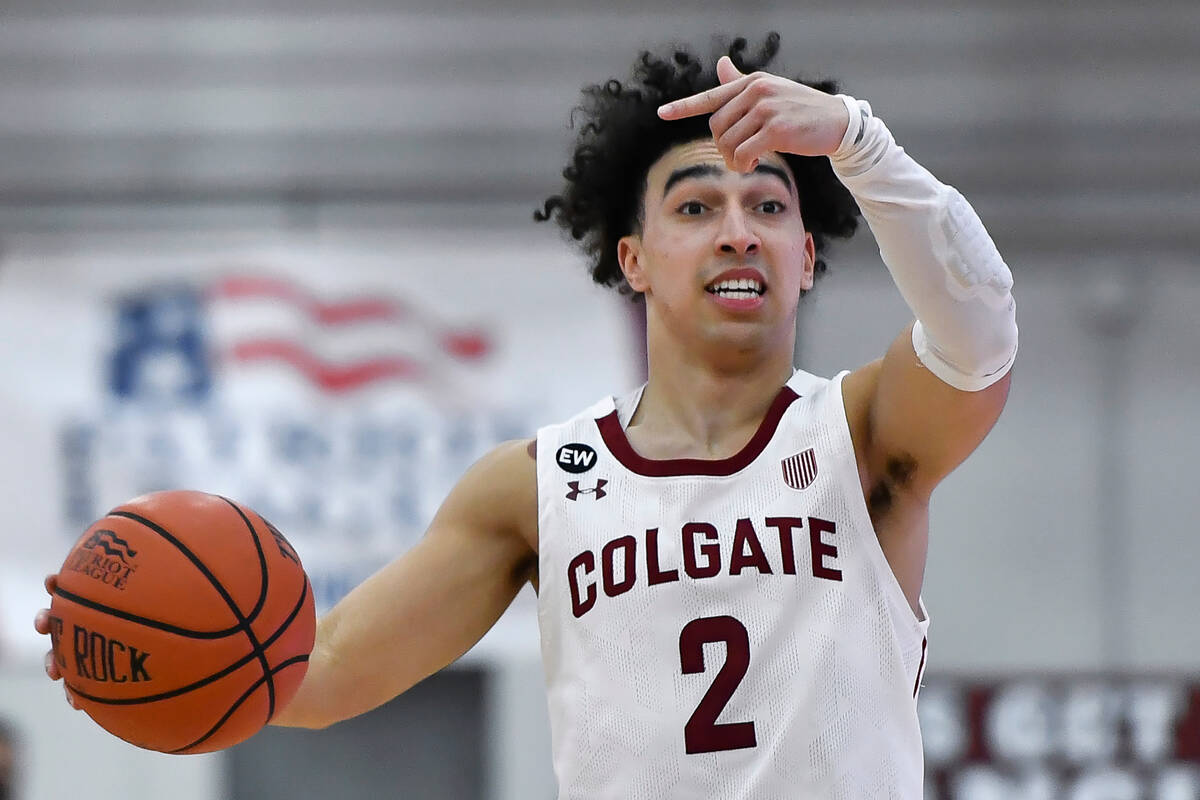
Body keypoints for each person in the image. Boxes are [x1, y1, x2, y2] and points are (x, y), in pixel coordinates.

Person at [37, 33, 1017, 798]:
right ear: (631, 259)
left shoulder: (866, 436)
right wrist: (124, 646)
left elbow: (980, 328)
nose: (737, 230)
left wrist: (855, 138)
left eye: (769, 207)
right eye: (694, 206)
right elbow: (320, 668)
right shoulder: (533, 485)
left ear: (807, 257)